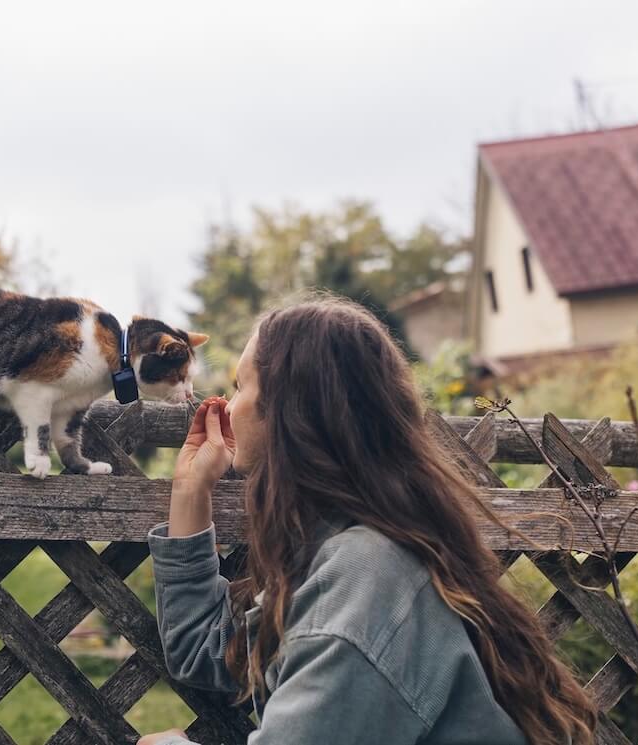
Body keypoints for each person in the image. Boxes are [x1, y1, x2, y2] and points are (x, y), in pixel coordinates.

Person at [138, 297, 595, 745]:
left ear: (289, 411)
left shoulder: (365, 581)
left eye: (241, 386)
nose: (229, 407)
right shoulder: (355, 549)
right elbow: (208, 649)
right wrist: (190, 492)